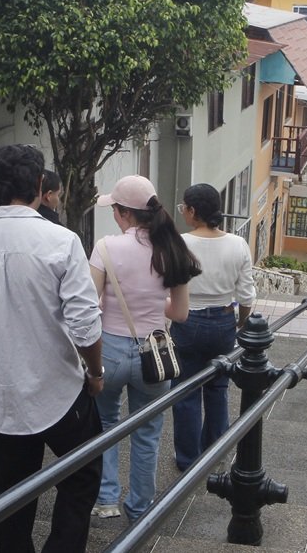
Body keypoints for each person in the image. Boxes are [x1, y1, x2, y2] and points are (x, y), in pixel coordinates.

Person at [0, 144, 105, 553]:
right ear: (39, 184)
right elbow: (85, 326)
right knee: (84, 474)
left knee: (8, 499)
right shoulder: (61, 241)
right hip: (59, 389)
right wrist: (96, 372)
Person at [89, 175, 201, 522]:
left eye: (115, 210)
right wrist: (154, 306)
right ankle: (140, 506)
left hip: (109, 350)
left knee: (105, 424)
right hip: (156, 355)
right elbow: (180, 313)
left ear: (124, 213)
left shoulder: (105, 248)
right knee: (148, 433)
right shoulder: (172, 247)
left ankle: (106, 498)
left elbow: (91, 306)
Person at [170, 183, 255, 472]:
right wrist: (240, 322)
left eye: (184, 207)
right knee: (218, 388)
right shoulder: (237, 244)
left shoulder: (180, 243)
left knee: (186, 391)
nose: (183, 212)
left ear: (193, 211)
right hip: (223, 319)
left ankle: (187, 459)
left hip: (188, 319)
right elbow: (246, 295)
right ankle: (215, 451)